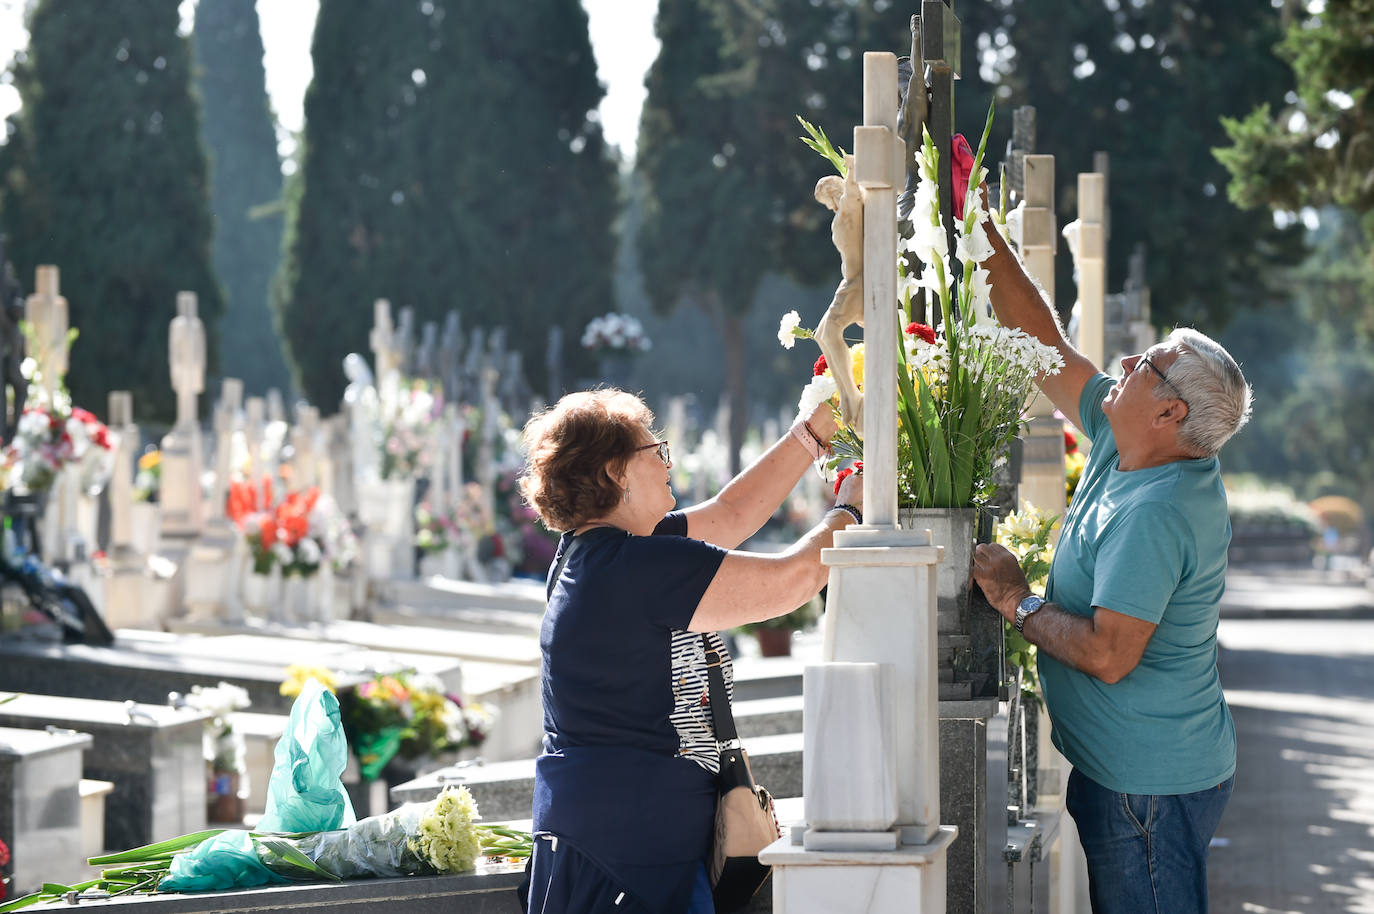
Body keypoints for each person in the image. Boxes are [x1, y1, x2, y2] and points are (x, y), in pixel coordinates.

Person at [970, 204, 1252, 914]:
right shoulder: (1123, 436)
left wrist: (1016, 600)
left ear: (1171, 414)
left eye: (1148, 365)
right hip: (1134, 773)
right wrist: (974, 222)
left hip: (1148, 787)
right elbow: (1043, 340)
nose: (1127, 363)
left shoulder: (1158, 510)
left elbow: (1108, 654)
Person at [518, 388, 863, 914]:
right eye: (656, 450)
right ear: (616, 471)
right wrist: (851, 513)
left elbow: (731, 514)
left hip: (615, 841)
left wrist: (813, 432)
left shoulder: (592, 554)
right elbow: (792, 582)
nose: (667, 462)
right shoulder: (633, 569)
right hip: (627, 858)